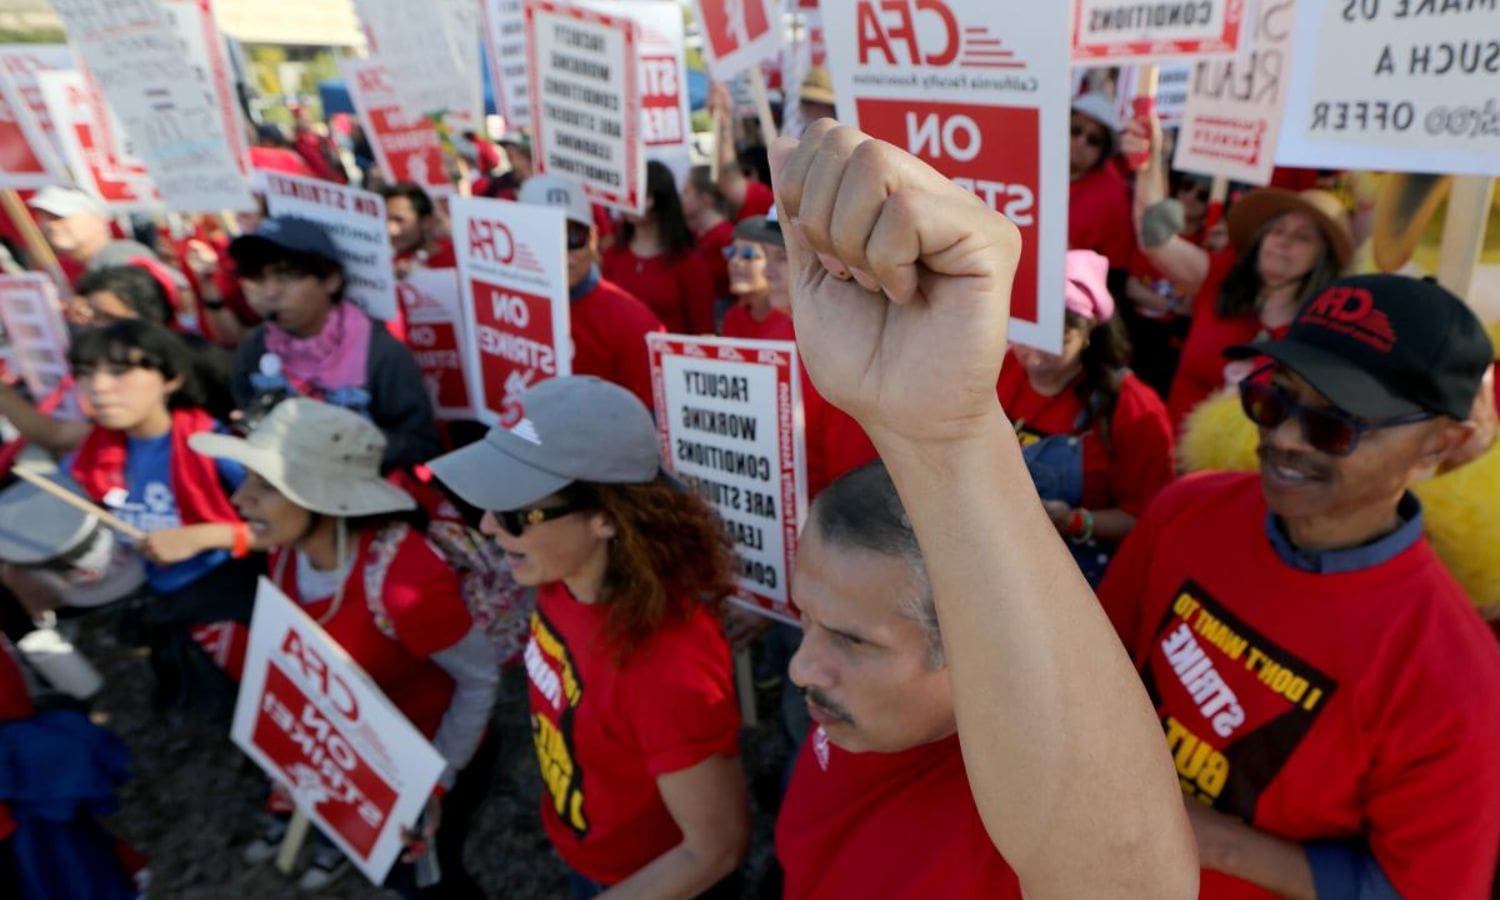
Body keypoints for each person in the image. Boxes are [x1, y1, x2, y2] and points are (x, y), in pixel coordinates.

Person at [768, 119, 1197, 897]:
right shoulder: (861, 717)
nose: (800, 665)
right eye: (807, 620)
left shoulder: (1019, 806)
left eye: (851, 640)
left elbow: (1130, 883)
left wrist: (958, 447)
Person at [1099, 274, 1500, 897]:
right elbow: (1091, 671)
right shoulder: (1187, 510)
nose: (1283, 436)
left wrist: (1208, 838)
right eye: (1273, 399)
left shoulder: (1458, 677)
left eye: (1335, 424)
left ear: (1436, 448)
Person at [428, 375, 749, 899]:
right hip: (592, 855)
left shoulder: (666, 667)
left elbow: (713, 849)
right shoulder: (560, 577)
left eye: (514, 512)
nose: (487, 525)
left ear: (606, 515)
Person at [191, 398, 499, 896]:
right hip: (367, 767)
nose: (241, 500)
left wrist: (437, 781)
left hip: (433, 757)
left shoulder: (403, 580)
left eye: (266, 486)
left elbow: (479, 679)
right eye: (249, 480)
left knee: (432, 882)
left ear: (324, 499)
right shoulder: (288, 556)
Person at [27, 321, 260, 715]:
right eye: (86, 373)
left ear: (171, 379)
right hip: (172, 612)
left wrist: (205, 537)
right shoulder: (88, 461)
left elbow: (289, 534)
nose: (98, 387)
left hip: (242, 608)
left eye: (120, 372)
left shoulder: (214, 447)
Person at [1124, 117, 1352, 428]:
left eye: (1302, 237)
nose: (1283, 242)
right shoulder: (1221, 279)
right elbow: (1155, 236)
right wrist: (1151, 157)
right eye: (1276, 230)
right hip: (1177, 466)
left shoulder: (1323, 335)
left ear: (1322, 259)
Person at [999, 250, 1175, 585]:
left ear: (1088, 330)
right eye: (1023, 334)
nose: (1032, 356)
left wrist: (1075, 522)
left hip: (1072, 574)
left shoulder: (1134, 410)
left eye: (1054, 341)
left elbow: (1146, 520)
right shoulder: (1000, 367)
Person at [226, 216, 440, 472]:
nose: (270, 292)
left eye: (286, 277)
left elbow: (421, 444)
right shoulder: (256, 346)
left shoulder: (381, 354)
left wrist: (345, 446)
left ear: (331, 280)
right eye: (258, 278)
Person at [517, 175, 664, 412]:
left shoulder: (632, 322)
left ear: (594, 239)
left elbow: (649, 423)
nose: (562, 253)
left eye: (574, 237)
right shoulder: (500, 309)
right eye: (544, 237)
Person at [603, 162, 715, 335]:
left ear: (659, 198)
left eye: (641, 194)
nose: (630, 201)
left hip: (671, 357)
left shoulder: (688, 263)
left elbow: (703, 330)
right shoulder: (612, 256)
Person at [26, 186, 189, 302]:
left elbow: (181, 295)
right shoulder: (52, 270)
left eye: (59, 216)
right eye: (43, 217)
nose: (50, 225)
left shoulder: (121, 255)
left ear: (98, 217)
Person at [1067, 94, 1135, 274]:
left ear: (1103, 152)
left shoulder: (1112, 196)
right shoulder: (1032, 164)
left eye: (1094, 139)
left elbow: (1115, 269)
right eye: (1075, 130)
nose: (1081, 141)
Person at [718, 214, 792, 342]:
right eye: (731, 252)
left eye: (748, 255)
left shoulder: (792, 321)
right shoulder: (733, 318)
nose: (735, 261)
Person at [680, 166, 736, 307]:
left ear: (705, 198)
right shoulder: (695, 233)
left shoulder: (725, 236)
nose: (681, 198)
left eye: (686, 192)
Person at [382, 182, 456, 276]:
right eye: (385, 219)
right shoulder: (391, 266)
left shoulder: (458, 257)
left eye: (399, 220)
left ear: (426, 221)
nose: (390, 230)